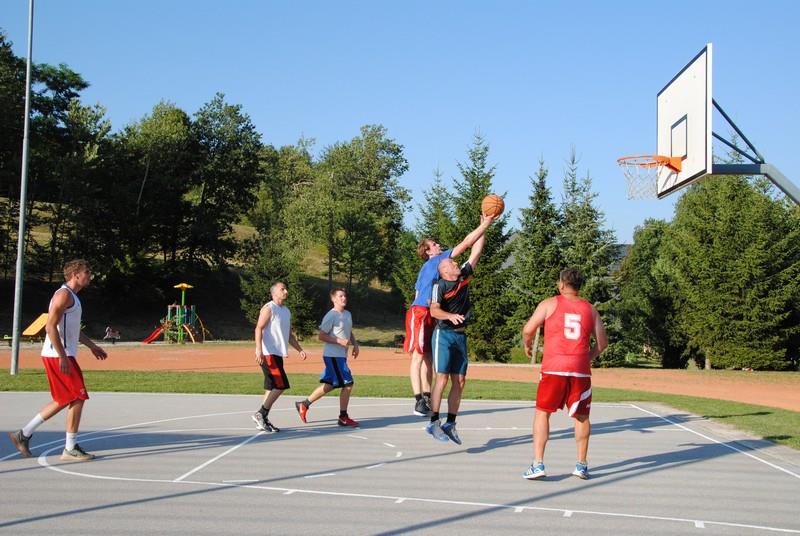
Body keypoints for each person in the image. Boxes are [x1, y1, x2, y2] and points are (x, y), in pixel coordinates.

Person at [8, 259, 108, 461]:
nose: (90, 275)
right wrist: (62, 356)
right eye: (87, 272)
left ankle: (23, 434)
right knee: (78, 396)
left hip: (61, 354)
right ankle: (70, 448)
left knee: (64, 399)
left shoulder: (72, 297)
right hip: (58, 355)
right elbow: (50, 327)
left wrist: (92, 346)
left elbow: (72, 330)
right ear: (75, 275)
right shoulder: (63, 295)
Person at [521, 268, 608, 480]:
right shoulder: (590, 309)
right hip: (580, 370)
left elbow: (528, 329)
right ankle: (581, 465)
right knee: (582, 416)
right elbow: (602, 343)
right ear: (579, 286)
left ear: (561, 284)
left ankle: (538, 464)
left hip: (553, 367)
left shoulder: (549, 304)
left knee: (543, 413)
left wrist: (527, 344)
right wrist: (586, 357)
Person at [406, 216, 496, 417]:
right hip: (420, 311)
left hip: (429, 311)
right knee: (418, 355)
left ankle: (426, 398)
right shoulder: (436, 261)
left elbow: (418, 290)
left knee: (428, 357)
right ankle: (418, 399)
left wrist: (484, 230)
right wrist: (485, 224)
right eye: (434, 244)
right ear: (428, 252)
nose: (438, 245)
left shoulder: (431, 272)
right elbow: (467, 243)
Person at [425, 215, 494, 444]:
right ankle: (433, 422)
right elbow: (434, 311)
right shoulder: (440, 285)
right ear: (444, 271)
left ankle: (450, 423)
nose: (455, 263)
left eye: (455, 263)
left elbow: (476, 251)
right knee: (442, 378)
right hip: (443, 335)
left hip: (460, 336)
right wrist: (450, 316)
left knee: (460, 381)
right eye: (451, 263)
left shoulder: (463, 277)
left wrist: (484, 226)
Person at [295, 288, 360, 427]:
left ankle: (304, 404)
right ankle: (343, 417)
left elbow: (349, 331)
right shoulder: (331, 315)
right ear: (333, 299)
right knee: (348, 384)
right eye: (340, 296)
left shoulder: (347, 314)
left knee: (330, 385)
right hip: (332, 355)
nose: (344, 298)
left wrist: (355, 345)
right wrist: (339, 341)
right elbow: (321, 335)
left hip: (341, 356)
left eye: (345, 296)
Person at [253, 282, 307, 433]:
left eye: (286, 289)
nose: (286, 291)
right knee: (281, 385)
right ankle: (261, 414)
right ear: (274, 293)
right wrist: (259, 350)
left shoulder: (286, 311)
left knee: (271, 387)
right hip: (268, 353)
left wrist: (299, 349)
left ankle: (263, 419)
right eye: (282, 289)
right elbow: (258, 328)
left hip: (277, 354)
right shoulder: (269, 308)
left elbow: (289, 335)